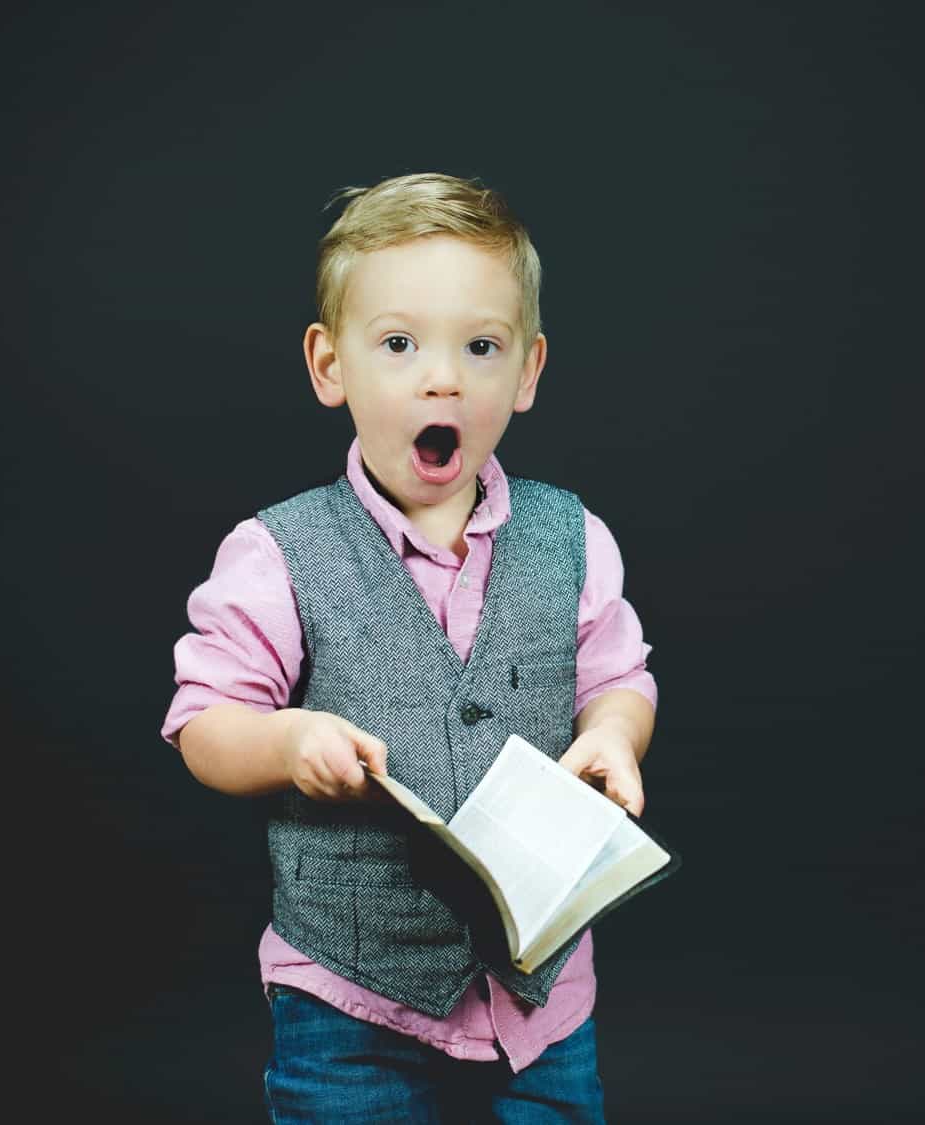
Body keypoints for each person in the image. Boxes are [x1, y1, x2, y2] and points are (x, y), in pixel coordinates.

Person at [161, 171, 657, 1123]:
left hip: (540, 1002)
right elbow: (202, 723)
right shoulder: (277, 552)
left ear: (527, 372)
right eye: (398, 344)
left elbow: (618, 675)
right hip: (350, 998)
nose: (444, 377)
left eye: (481, 346)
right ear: (328, 365)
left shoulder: (573, 536)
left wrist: (614, 734)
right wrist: (285, 740)